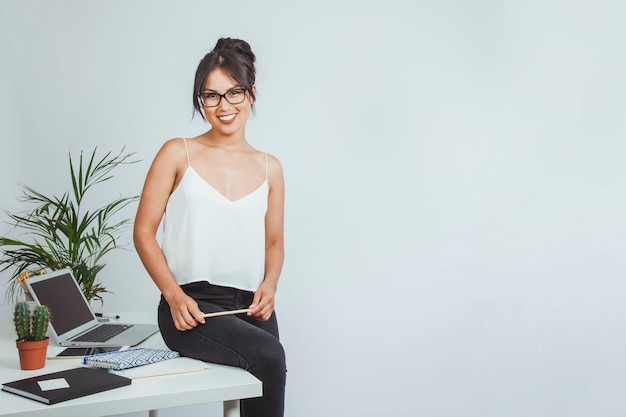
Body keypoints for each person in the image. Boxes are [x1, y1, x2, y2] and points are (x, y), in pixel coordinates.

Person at [133, 38, 286, 417]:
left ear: (252, 94)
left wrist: (270, 284)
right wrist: (173, 296)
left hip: (251, 307)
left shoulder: (271, 168)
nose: (224, 106)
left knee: (272, 373)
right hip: (191, 306)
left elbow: (274, 241)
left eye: (234, 93)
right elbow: (143, 232)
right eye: (211, 96)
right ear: (200, 101)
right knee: (269, 356)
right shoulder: (176, 152)